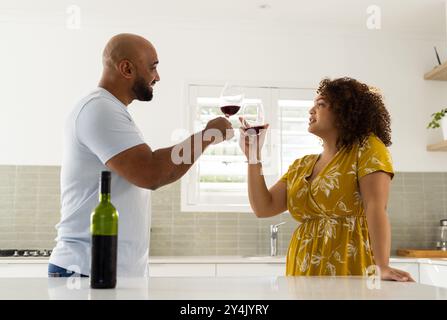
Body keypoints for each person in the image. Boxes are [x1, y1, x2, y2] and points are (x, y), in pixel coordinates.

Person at [48, 33, 233, 277]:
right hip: (86, 271)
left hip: (103, 271)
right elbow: (151, 172)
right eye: (153, 68)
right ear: (126, 68)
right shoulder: (99, 108)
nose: (157, 77)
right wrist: (207, 135)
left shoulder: (111, 110)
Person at [239, 77, 414, 281]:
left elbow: (376, 207)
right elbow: (263, 208)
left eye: (321, 105)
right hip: (303, 265)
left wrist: (382, 266)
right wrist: (253, 157)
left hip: (350, 260)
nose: (311, 111)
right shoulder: (301, 165)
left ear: (344, 112)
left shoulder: (368, 148)